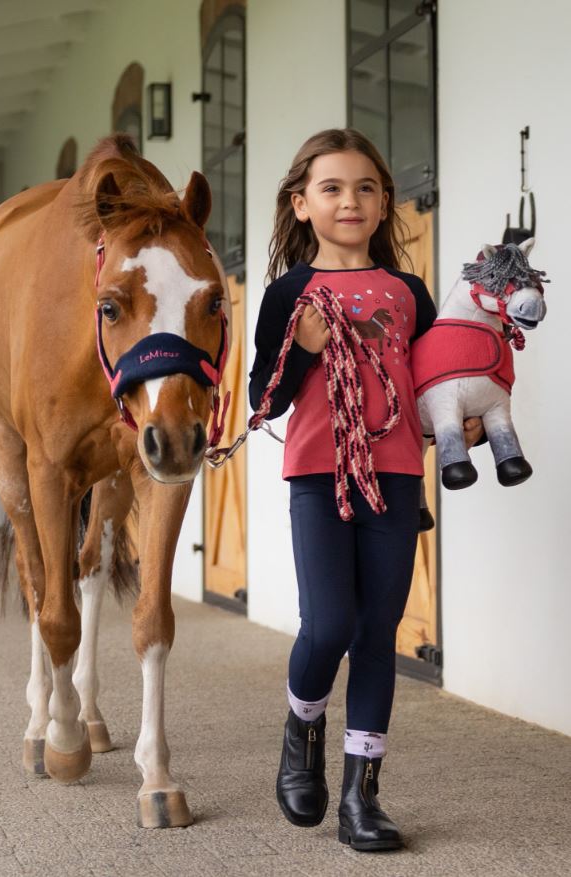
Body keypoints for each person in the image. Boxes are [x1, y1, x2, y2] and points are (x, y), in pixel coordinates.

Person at [248, 128, 482, 853]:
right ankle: (301, 727)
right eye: (331, 187)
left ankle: (361, 795)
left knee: (376, 633)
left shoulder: (408, 293)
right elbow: (264, 395)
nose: (349, 200)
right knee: (327, 626)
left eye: (364, 188)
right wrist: (305, 350)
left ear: (384, 205)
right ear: (301, 203)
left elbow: (422, 389)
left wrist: (458, 427)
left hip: (395, 478)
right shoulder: (288, 292)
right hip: (319, 478)